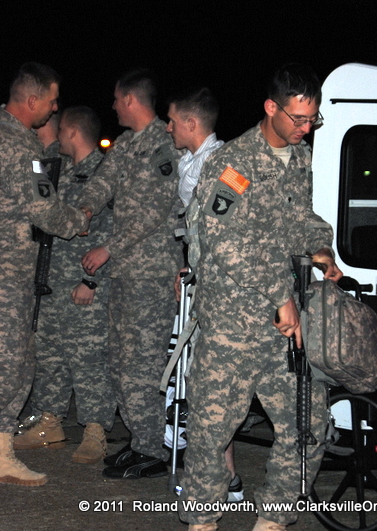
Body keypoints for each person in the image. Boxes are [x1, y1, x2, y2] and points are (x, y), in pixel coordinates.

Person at [179, 64, 342, 531]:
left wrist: (321, 249)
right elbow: (223, 240)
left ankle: (274, 518)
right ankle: (202, 521)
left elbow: (300, 218)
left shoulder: (300, 158)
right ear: (271, 108)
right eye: (298, 118)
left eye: (312, 119)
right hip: (232, 324)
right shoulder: (235, 164)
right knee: (211, 432)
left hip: (284, 329)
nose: (306, 128)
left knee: (308, 426)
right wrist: (279, 294)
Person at [0, 62, 89, 488]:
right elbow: (44, 208)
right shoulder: (15, 145)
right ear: (32, 100)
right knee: (8, 360)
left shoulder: (4, 136)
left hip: (11, 268)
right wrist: (78, 220)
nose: (55, 108)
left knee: (22, 360)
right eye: (51, 101)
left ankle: (0, 451)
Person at [78, 69, 182, 479]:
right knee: (119, 362)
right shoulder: (125, 144)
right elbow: (102, 181)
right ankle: (141, 439)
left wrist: (108, 248)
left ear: (130, 100)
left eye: (117, 99)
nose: (113, 106)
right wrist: (85, 208)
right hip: (124, 273)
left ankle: (152, 448)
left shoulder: (163, 145)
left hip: (151, 274)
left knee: (141, 365)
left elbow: (154, 212)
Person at [13, 106, 116, 464]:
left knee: (88, 358)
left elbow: (113, 232)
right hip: (51, 281)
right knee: (50, 355)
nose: (56, 139)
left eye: (60, 133)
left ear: (72, 132)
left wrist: (91, 281)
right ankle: (50, 422)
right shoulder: (59, 170)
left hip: (84, 283)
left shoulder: (104, 173)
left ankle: (95, 430)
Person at [165, 87, 243, 502]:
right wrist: (190, 265)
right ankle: (225, 476)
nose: (168, 127)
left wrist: (203, 268)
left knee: (215, 385)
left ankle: (222, 478)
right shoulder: (189, 162)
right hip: (203, 280)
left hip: (226, 291)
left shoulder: (229, 164)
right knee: (203, 382)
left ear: (191, 123)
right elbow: (196, 229)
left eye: (173, 120)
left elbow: (228, 228)